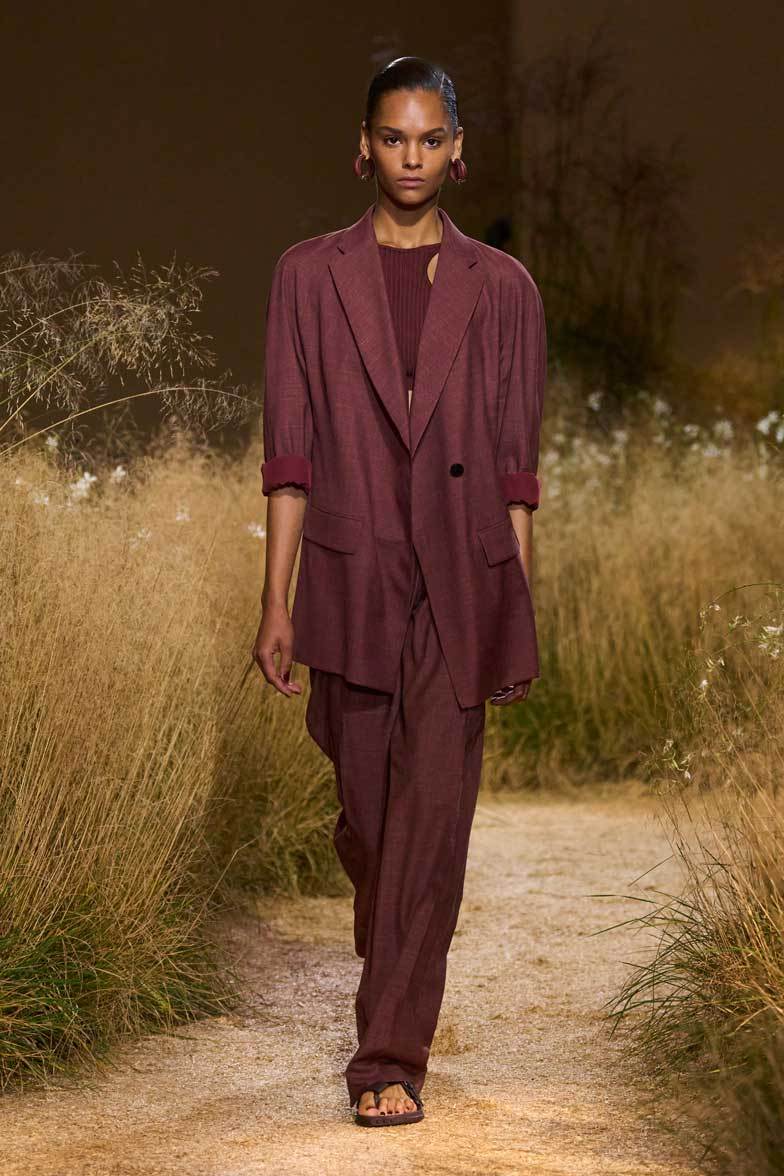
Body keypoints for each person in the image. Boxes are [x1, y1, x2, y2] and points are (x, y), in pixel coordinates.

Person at [252, 54, 547, 1128]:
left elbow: (515, 471)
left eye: (430, 139)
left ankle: (387, 1054)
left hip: (461, 582)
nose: (411, 157)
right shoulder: (307, 276)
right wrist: (276, 600)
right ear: (364, 146)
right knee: (373, 827)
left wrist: (513, 607)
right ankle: (392, 941)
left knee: (430, 825)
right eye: (393, 138)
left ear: (456, 150)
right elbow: (290, 454)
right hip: (350, 577)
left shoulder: (504, 289)